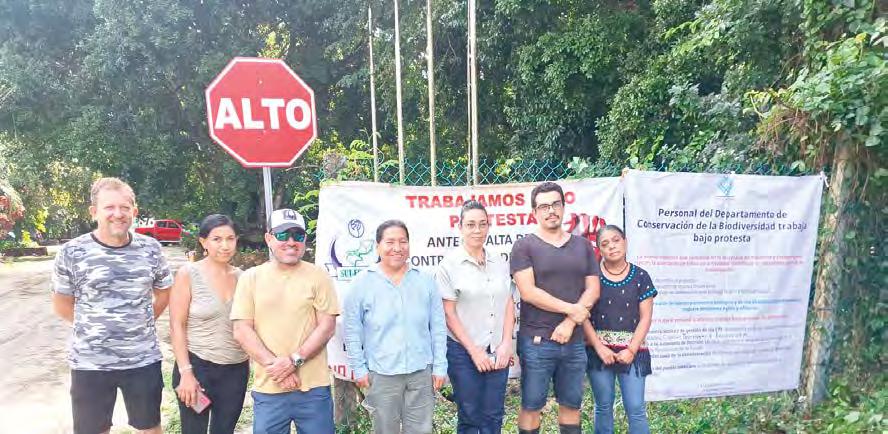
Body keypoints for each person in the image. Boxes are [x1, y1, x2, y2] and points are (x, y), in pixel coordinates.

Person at [51, 177, 172, 434]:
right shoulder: (72, 252)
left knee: (150, 428)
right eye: (109, 207)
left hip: (142, 359)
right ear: (94, 212)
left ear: (134, 212)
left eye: (125, 207)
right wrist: (96, 327)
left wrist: (140, 322)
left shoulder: (151, 249)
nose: (118, 214)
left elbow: (164, 292)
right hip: (90, 362)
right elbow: (62, 304)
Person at [230, 209, 339, 434]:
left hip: (313, 390)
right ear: (269, 238)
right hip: (269, 389)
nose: (291, 242)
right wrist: (278, 367)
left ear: (304, 240)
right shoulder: (250, 278)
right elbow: (242, 330)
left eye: (297, 236)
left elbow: (327, 327)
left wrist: (294, 361)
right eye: (282, 235)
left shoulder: (319, 276)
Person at [510, 181, 601, 434]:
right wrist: (572, 310)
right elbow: (528, 292)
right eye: (544, 206)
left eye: (555, 204)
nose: (551, 211)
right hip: (536, 341)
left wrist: (570, 322)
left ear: (563, 206)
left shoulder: (582, 246)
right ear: (534, 212)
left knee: (571, 405)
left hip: (574, 341)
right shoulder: (524, 246)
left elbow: (593, 289)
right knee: (531, 406)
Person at [343, 220, 447, 434]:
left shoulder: (425, 281)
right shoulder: (361, 284)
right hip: (382, 373)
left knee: (421, 430)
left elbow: (437, 327)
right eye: (390, 242)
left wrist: (439, 366)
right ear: (377, 246)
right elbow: (352, 330)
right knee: (385, 429)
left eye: (403, 241)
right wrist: (359, 368)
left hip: (421, 371)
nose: (397, 248)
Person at [436, 200, 515, 434]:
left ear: (489, 226)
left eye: (482, 224)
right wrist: (475, 351)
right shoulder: (449, 265)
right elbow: (448, 313)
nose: (477, 230)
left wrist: (506, 343)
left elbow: (508, 302)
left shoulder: (499, 261)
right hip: (462, 351)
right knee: (470, 416)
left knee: (494, 415)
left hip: (497, 350)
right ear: (460, 227)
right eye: (470, 224)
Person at [170, 214, 249, 434]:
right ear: (203, 242)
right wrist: (186, 373)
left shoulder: (243, 278)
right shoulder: (189, 274)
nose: (225, 245)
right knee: (193, 430)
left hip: (235, 370)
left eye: (230, 239)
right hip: (197, 368)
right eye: (217, 239)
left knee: (224, 430)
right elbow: (177, 325)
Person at [583, 225, 656, 434]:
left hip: (633, 353)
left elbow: (646, 317)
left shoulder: (641, 276)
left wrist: (631, 350)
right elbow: (582, 314)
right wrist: (599, 348)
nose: (612, 247)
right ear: (599, 250)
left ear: (625, 241)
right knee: (603, 406)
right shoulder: (592, 279)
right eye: (605, 244)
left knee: (636, 408)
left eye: (616, 240)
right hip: (599, 353)